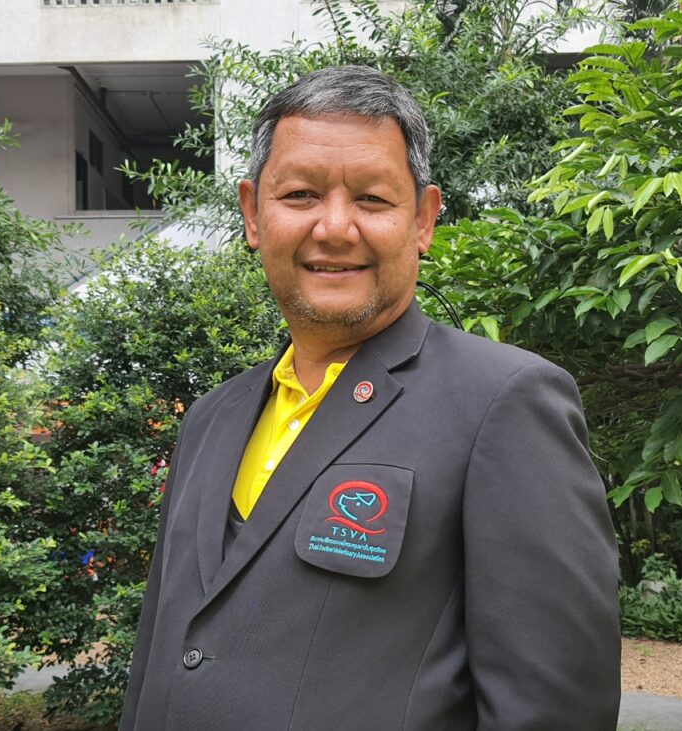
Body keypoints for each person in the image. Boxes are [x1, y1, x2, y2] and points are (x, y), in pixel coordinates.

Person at [119, 65, 621, 731]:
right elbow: (164, 648)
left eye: (372, 199)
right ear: (253, 214)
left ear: (423, 220)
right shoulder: (213, 417)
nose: (334, 227)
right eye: (300, 194)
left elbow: (554, 710)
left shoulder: (503, 404)